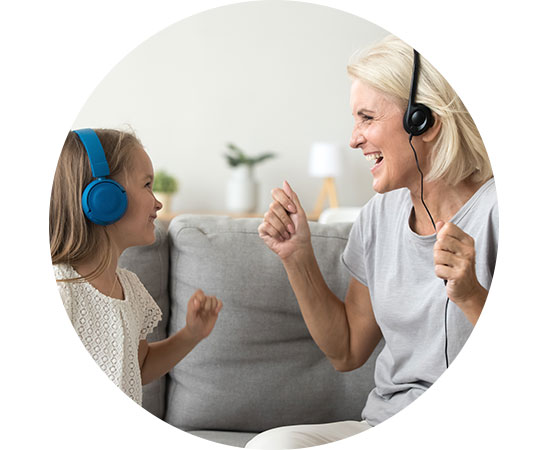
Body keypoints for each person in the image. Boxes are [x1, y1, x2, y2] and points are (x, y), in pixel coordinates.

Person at [247, 35, 498, 449]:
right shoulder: (377, 217)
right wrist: (297, 256)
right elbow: (346, 351)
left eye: (367, 118)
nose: (354, 139)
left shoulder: (498, 210)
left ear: (423, 121)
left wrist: (471, 295)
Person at [50, 128, 223, 406]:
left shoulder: (131, 289)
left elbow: (140, 367)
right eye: (146, 185)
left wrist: (191, 334)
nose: (158, 202)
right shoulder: (60, 288)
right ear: (104, 197)